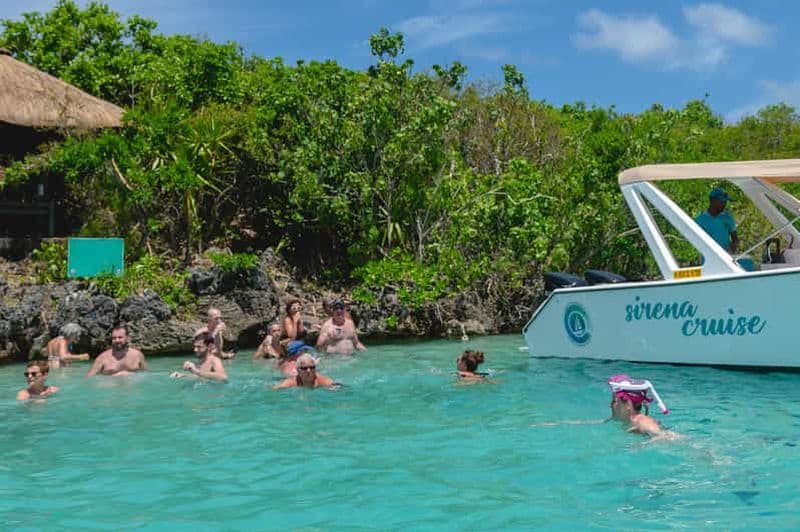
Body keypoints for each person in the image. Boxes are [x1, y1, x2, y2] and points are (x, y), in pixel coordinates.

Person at [695, 187, 739, 253]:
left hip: (726, 257)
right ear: (712, 200)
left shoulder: (728, 217)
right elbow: (697, 242)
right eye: (722, 201)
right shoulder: (699, 220)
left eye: (725, 201)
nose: (724, 204)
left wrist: (732, 249)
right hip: (709, 257)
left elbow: (735, 239)